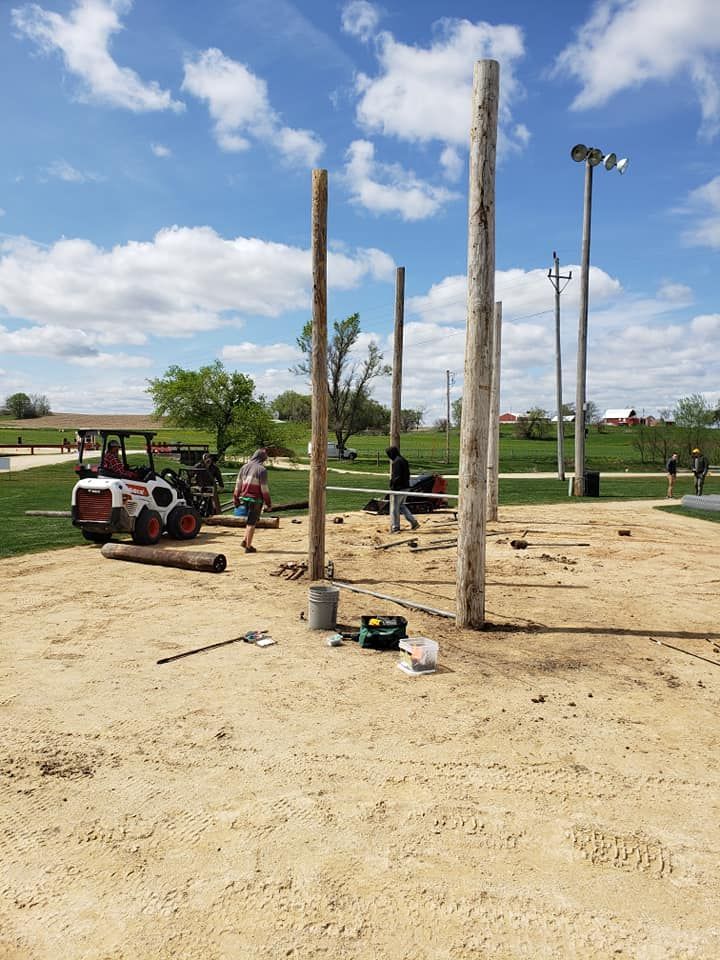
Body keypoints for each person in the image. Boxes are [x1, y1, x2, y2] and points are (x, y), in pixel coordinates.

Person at [233, 449, 272, 552]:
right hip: (255, 500)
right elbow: (264, 489)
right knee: (252, 523)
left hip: (244, 497)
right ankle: (248, 547)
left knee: (250, 520)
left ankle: (245, 541)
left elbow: (238, 485)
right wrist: (268, 503)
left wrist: (235, 498)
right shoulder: (262, 470)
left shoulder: (244, 467)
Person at [386, 446, 419, 534]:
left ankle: (395, 527)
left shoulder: (396, 462)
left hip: (399, 488)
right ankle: (414, 522)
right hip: (406, 486)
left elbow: (396, 477)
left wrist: (392, 487)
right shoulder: (403, 460)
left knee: (395, 508)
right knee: (401, 505)